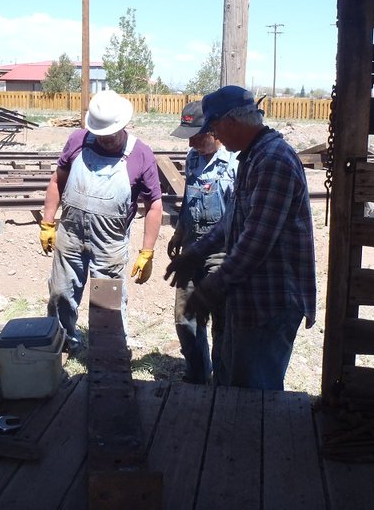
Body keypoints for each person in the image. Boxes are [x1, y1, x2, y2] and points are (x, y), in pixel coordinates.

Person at [165, 85, 316, 390]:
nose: (216, 136)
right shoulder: (253, 157)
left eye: (215, 127)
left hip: (271, 302)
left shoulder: (273, 160)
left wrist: (212, 288)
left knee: (254, 396)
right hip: (251, 298)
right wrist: (196, 252)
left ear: (231, 122)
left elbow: (256, 242)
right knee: (234, 385)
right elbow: (233, 220)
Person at [41, 90, 163, 354]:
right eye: (101, 135)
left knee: (107, 299)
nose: (105, 140)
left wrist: (147, 252)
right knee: (60, 293)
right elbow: (56, 181)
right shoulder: (77, 141)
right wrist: (47, 222)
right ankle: (64, 344)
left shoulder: (140, 154)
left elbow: (153, 204)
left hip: (110, 243)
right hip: (70, 235)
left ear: (123, 125)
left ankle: (109, 351)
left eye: (111, 135)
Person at [168, 100, 238, 384]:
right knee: (185, 317)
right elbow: (188, 200)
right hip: (192, 247)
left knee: (221, 320)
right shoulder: (193, 159)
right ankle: (197, 374)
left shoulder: (235, 162)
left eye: (198, 137)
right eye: (189, 137)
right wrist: (180, 232)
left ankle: (222, 380)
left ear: (215, 131)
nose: (192, 144)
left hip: (221, 252)